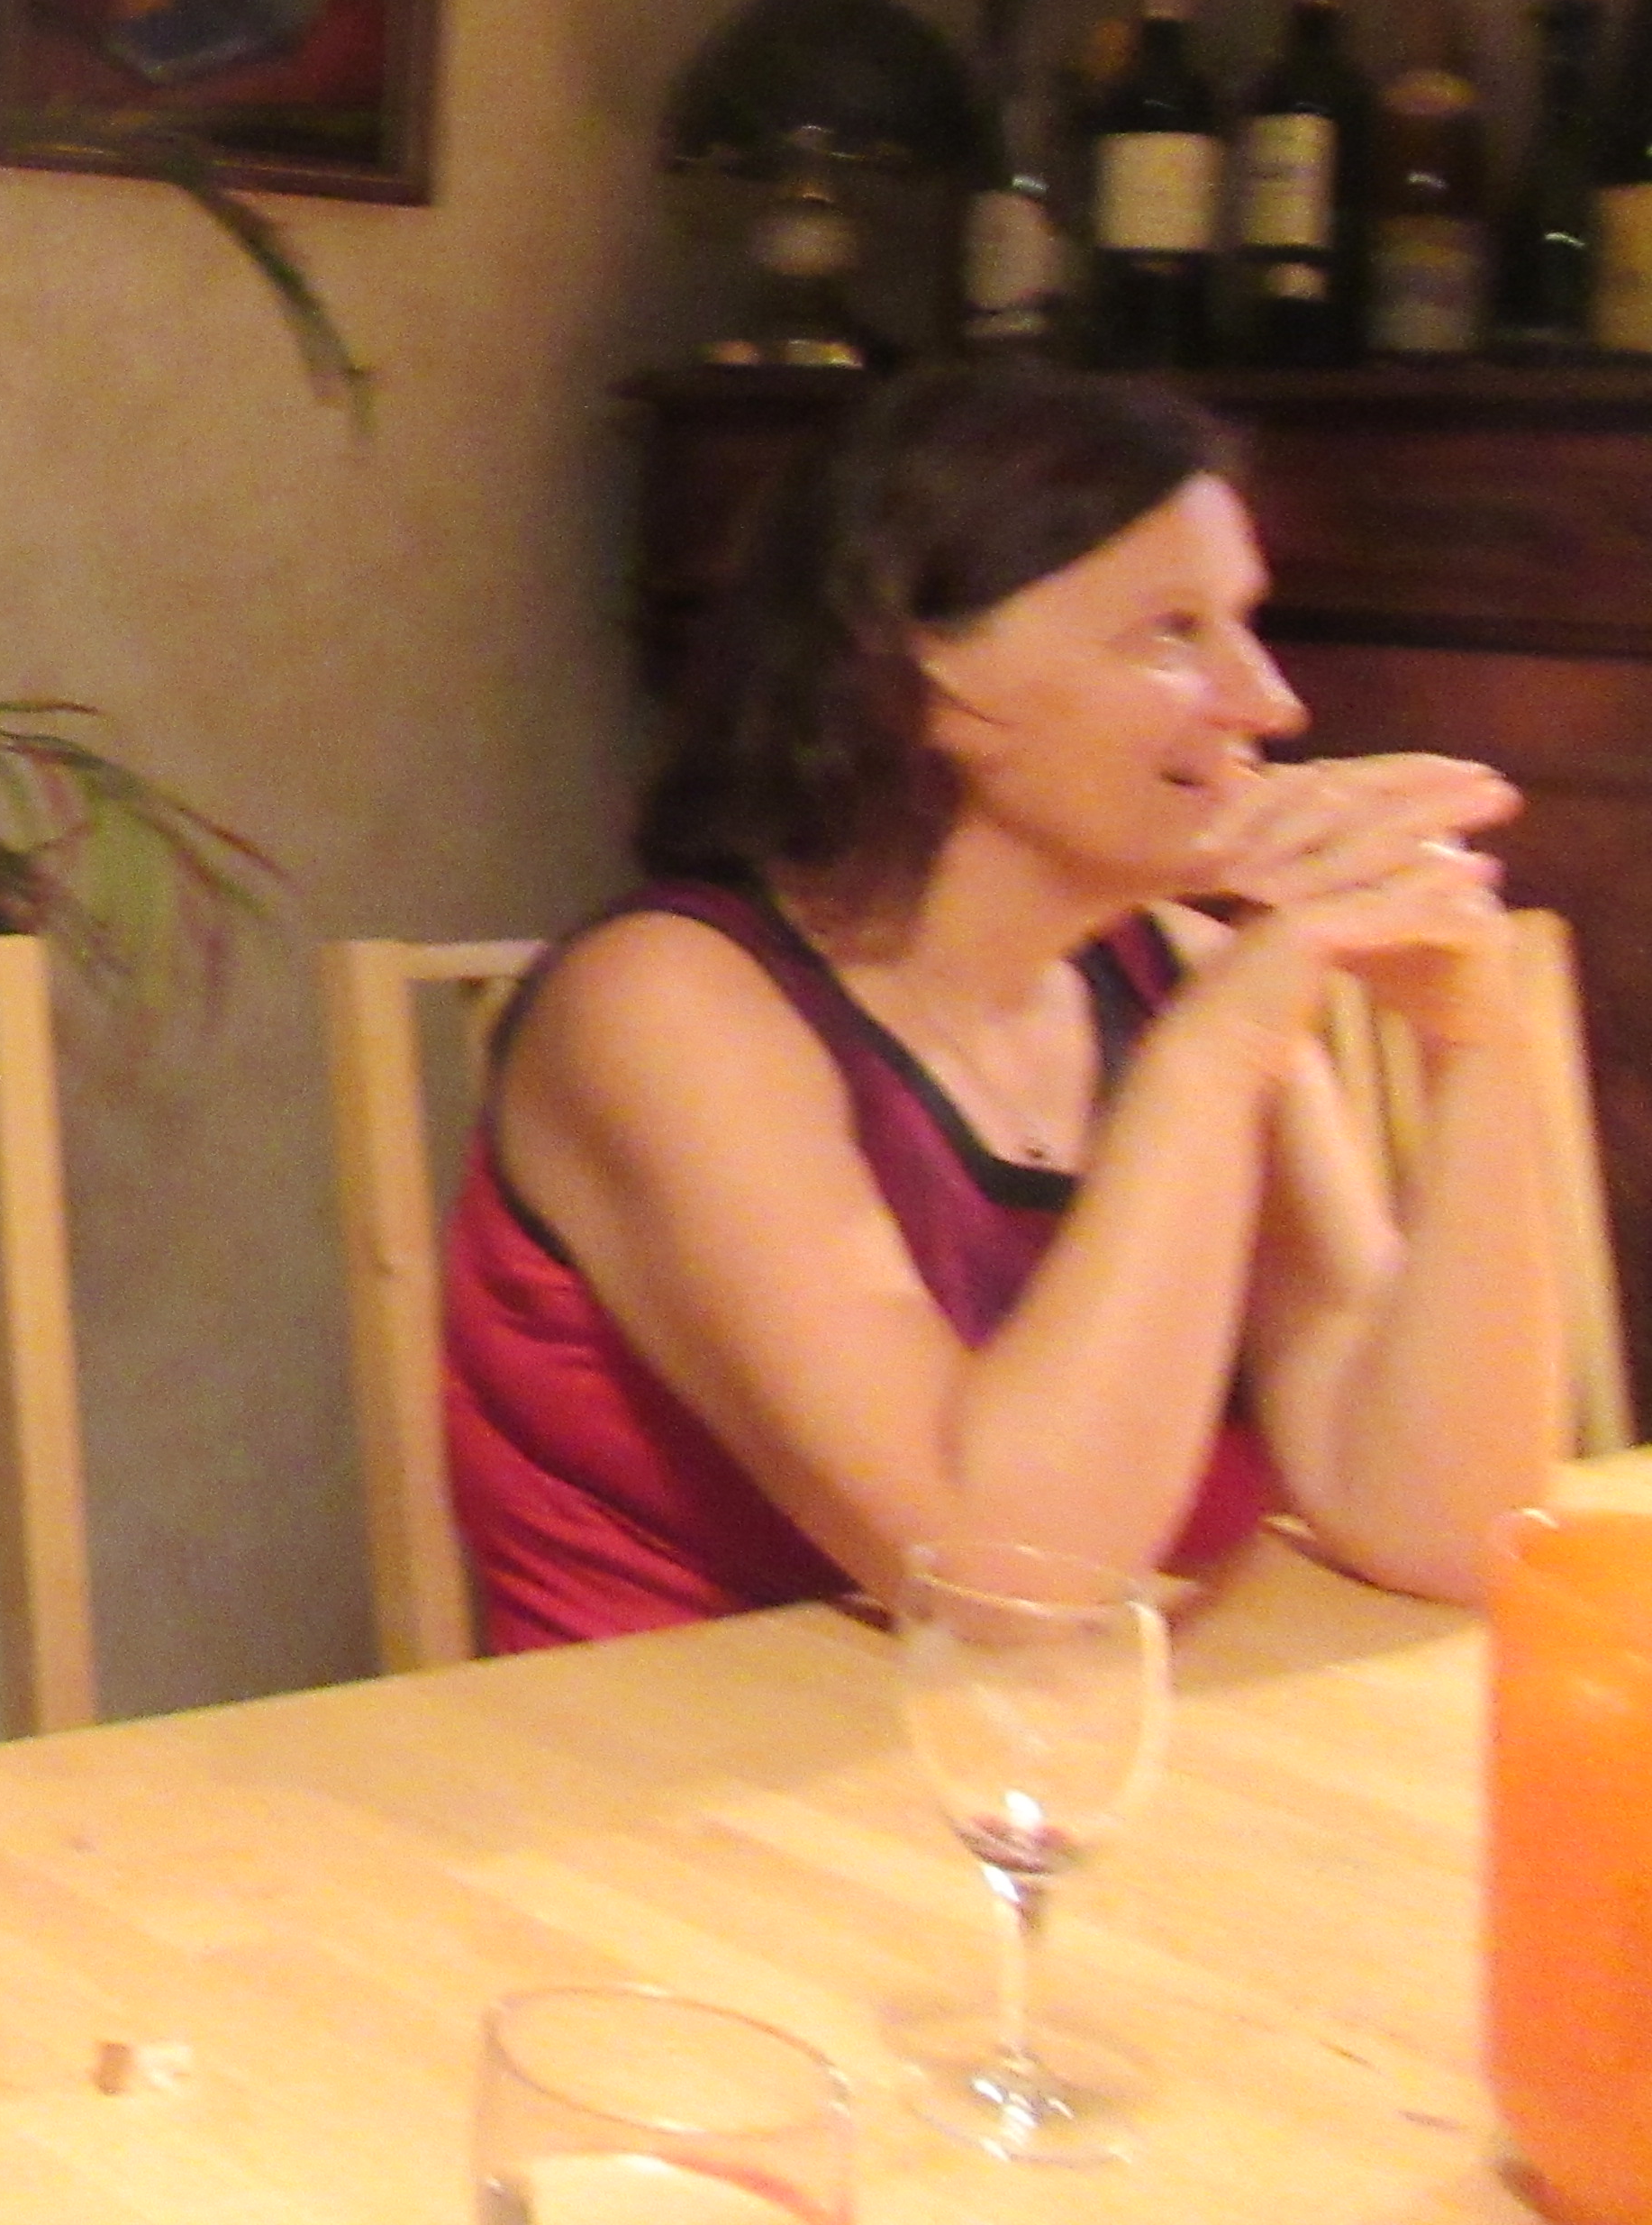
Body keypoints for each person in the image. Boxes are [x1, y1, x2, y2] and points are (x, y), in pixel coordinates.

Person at [447, 359, 1563, 1652]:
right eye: (1172, 633)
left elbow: (1441, 1525)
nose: (1270, 703)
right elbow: (1005, 1578)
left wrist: (1480, 1041)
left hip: (1059, 1742)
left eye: (1243, 624)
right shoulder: (664, 1008)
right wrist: (1211, 1063)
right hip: (665, 1759)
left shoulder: (1181, 976)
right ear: (928, 679)